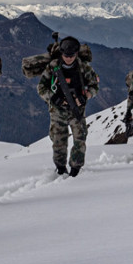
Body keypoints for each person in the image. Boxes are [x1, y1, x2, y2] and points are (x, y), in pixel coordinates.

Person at [37, 36, 100, 176]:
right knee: (59, 141)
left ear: (76, 54)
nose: (68, 58)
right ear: (61, 53)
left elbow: (94, 86)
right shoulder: (53, 67)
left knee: (80, 138)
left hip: (77, 110)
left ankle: (76, 169)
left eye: (71, 56)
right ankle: (60, 167)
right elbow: (41, 87)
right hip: (57, 111)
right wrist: (53, 98)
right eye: (66, 55)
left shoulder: (83, 67)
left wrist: (87, 96)